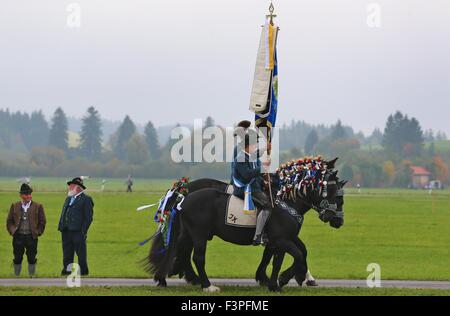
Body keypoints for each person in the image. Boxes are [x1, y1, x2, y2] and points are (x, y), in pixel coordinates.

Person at [232, 131, 272, 246]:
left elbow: (257, 156)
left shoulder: (250, 155)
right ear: (249, 145)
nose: (256, 146)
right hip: (244, 190)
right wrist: (263, 167)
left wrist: (266, 148)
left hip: (253, 187)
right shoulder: (241, 158)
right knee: (268, 206)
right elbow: (247, 175)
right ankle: (258, 236)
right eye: (255, 144)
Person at [6, 183, 46, 277]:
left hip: (31, 236)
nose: (29, 196)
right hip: (18, 236)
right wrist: (12, 231)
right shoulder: (15, 205)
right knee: (17, 258)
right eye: (27, 194)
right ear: (21, 195)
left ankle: (31, 277)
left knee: (32, 258)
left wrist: (38, 232)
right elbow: (9, 221)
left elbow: (42, 221)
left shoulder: (38, 206)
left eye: (30, 194)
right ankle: (17, 277)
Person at [58, 177, 94, 276]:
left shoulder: (86, 199)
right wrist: (61, 226)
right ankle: (67, 271)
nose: (69, 187)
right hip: (66, 230)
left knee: (81, 254)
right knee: (67, 253)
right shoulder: (68, 198)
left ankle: (83, 272)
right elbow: (64, 213)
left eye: (71, 185)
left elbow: (88, 218)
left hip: (78, 232)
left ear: (77, 188)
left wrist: (83, 231)